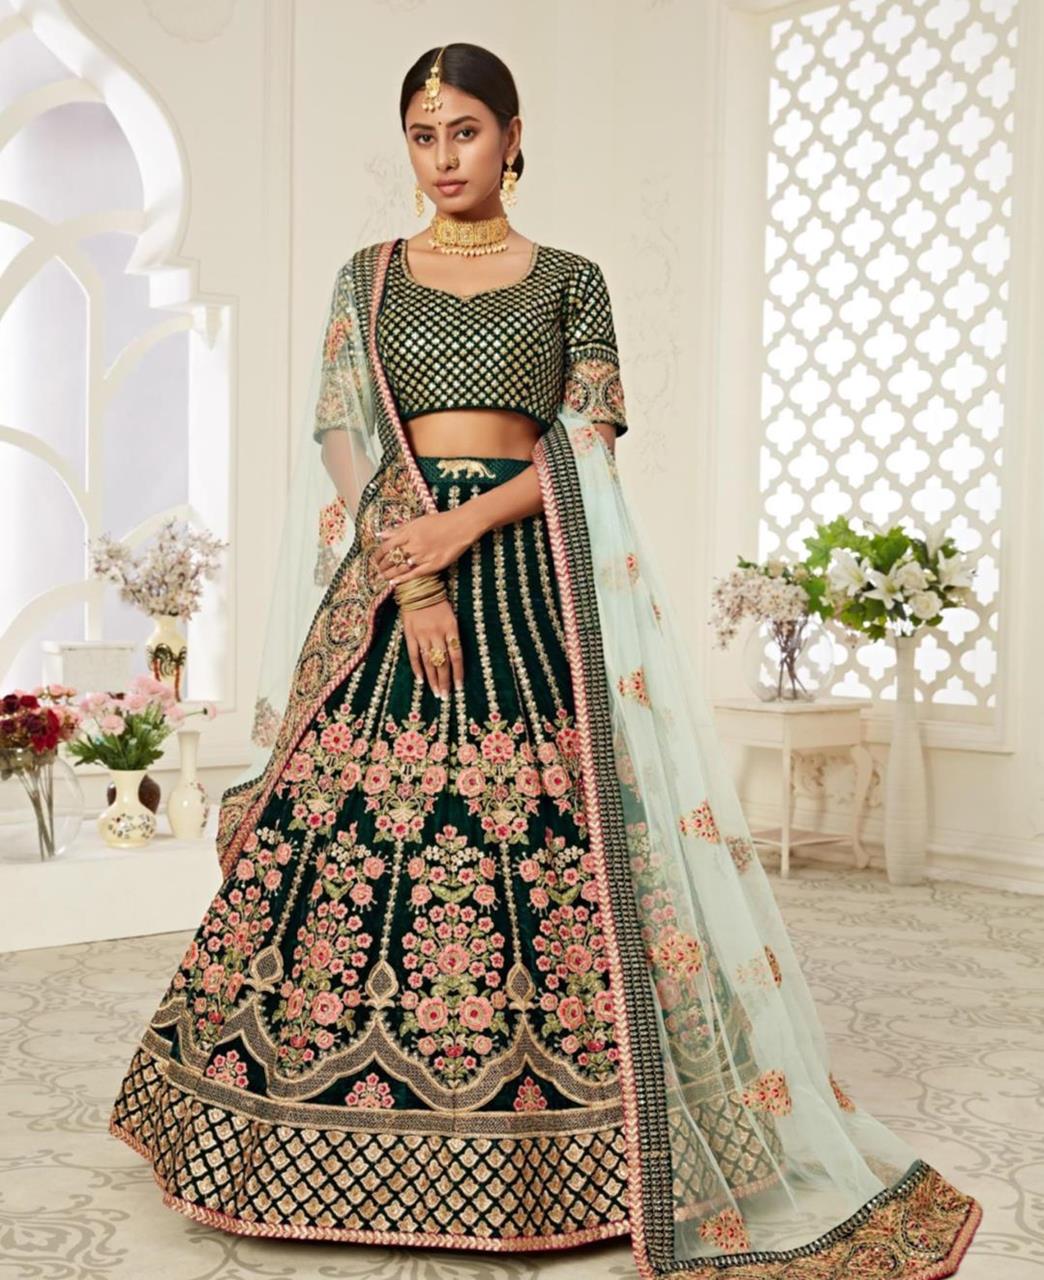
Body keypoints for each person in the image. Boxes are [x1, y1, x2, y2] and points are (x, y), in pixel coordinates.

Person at [109, 42, 983, 1278]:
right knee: (355, 841)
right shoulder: (368, 276)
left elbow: (587, 441)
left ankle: (578, 1146)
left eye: (465, 131)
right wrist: (414, 574)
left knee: (553, 830)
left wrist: (462, 527)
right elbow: (347, 438)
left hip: (529, 575)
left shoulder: (572, 278)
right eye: (423, 136)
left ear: (513, 136)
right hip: (396, 570)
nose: (443, 157)